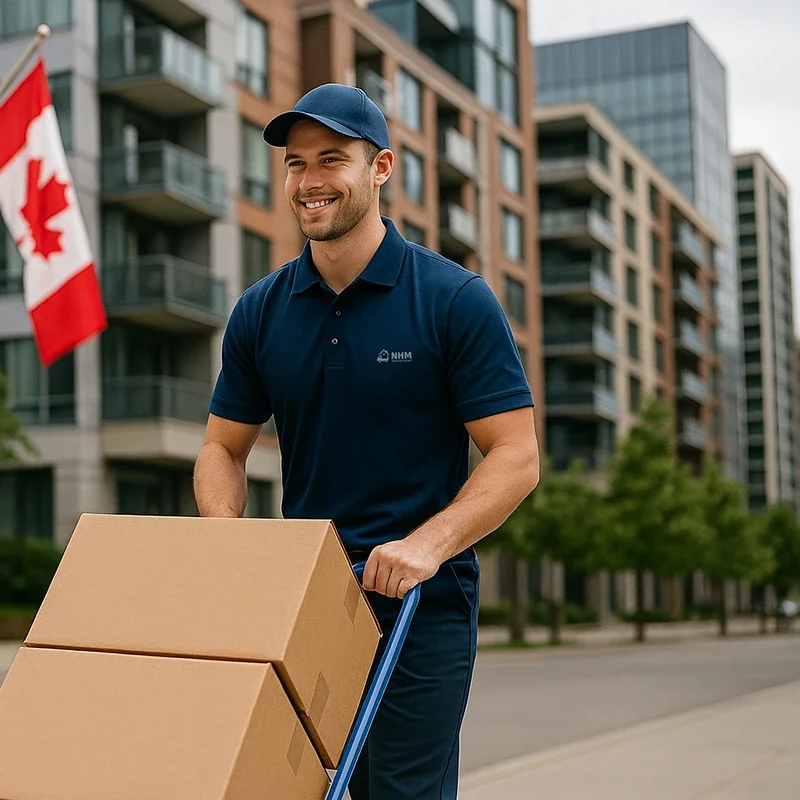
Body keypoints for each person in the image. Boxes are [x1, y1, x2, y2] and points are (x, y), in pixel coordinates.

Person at [193, 83, 540, 799]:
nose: (310, 181)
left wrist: (426, 545)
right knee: (300, 786)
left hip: (422, 603)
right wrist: (228, 545)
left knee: (401, 792)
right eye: (295, 164)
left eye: (331, 159)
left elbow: (516, 455)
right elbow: (222, 448)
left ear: (380, 168)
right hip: (311, 601)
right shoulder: (260, 312)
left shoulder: (452, 300)